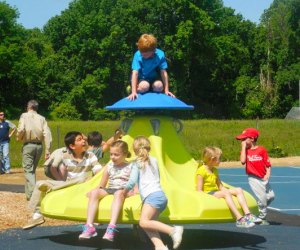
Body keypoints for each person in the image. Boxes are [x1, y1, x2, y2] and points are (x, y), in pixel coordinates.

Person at [23, 131, 102, 230]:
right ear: (72, 146)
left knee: (83, 178)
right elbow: (54, 167)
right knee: (40, 183)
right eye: (79, 139)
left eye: (83, 139)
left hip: (84, 185)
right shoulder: (65, 156)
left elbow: (99, 171)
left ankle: (53, 188)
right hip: (70, 185)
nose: (84, 141)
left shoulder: (90, 156)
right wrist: (61, 181)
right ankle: (37, 215)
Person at [124, 136, 183, 250]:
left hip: (152, 197)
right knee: (149, 225)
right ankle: (160, 246)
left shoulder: (137, 163)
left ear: (135, 149)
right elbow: (156, 177)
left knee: (143, 222)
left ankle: (173, 230)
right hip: (159, 195)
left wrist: (124, 191)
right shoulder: (154, 160)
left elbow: (131, 181)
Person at [195, 146, 262, 228]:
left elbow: (220, 185)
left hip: (216, 191)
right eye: (219, 158)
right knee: (226, 193)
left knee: (238, 190)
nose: (220, 161)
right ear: (212, 159)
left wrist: (227, 190)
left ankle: (248, 215)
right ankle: (239, 218)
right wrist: (206, 199)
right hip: (209, 193)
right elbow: (199, 190)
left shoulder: (215, 170)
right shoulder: (201, 171)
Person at [79, 140, 132, 241]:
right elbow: (102, 185)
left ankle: (111, 228)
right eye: (111, 154)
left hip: (122, 189)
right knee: (95, 193)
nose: (112, 157)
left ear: (125, 154)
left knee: (118, 193)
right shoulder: (109, 166)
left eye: (116, 155)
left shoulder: (130, 166)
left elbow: (135, 183)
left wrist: (132, 192)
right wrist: (94, 191)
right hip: (110, 188)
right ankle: (89, 226)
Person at [236, 128, 275, 225]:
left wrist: (268, 174)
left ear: (252, 139)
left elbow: (268, 163)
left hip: (263, 177)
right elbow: (242, 161)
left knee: (271, 197)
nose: (242, 141)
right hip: (253, 178)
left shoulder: (261, 150)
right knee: (262, 198)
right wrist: (243, 147)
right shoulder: (246, 151)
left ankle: (257, 209)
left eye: (244, 139)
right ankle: (262, 218)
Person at [16, 100, 52, 200]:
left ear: (29, 107)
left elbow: (21, 129)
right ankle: (29, 195)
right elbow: (47, 134)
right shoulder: (42, 118)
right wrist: (48, 150)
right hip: (39, 146)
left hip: (28, 145)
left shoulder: (24, 116)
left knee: (28, 171)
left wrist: (18, 137)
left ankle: (34, 194)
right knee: (31, 171)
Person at [127, 34, 175, 100]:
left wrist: (166, 90)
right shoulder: (137, 55)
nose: (142, 55)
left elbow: (163, 72)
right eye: (141, 53)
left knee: (159, 86)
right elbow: (135, 73)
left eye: (145, 54)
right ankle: (133, 88)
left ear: (153, 51)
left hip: (154, 78)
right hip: (142, 79)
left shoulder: (160, 55)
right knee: (144, 86)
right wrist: (133, 92)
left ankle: (152, 93)